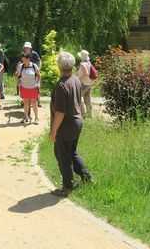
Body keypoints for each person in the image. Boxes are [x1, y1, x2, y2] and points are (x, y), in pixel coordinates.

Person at [49, 51, 93, 197]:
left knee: (63, 156)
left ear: (59, 65)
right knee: (71, 152)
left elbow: (60, 112)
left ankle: (67, 187)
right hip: (77, 122)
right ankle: (87, 178)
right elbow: (78, 101)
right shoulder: (74, 79)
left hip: (66, 125)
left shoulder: (62, 85)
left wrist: (53, 131)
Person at [15, 53, 40, 124]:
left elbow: (38, 75)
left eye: (24, 59)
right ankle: (26, 117)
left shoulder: (34, 66)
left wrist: (38, 83)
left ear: (28, 59)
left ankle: (36, 118)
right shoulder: (21, 66)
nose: (23, 61)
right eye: (22, 60)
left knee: (34, 103)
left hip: (33, 87)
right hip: (24, 87)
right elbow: (17, 76)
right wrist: (17, 77)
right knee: (26, 102)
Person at [18, 42, 42, 107]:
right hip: (25, 70)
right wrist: (18, 70)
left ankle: (38, 100)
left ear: (30, 48)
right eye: (25, 47)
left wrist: (38, 69)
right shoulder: (22, 54)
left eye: (28, 47)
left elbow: (39, 61)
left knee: (37, 86)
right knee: (22, 83)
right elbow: (19, 62)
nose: (26, 48)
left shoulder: (34, 54)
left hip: (34, 70)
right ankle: (24, 99)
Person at [77, 50, 94, 117]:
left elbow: (86, 74)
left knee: (78, 97)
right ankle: (90, 114)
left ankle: (83, 113)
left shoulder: (83, 64)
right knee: (87, 98)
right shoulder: (88, 63)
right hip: (89, 83)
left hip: (84, 83)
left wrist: (79, 80)